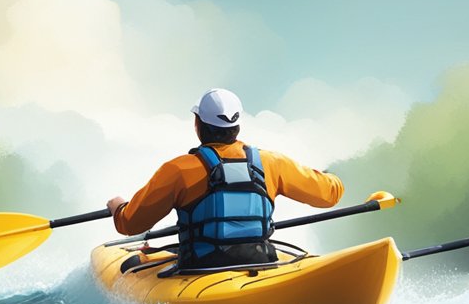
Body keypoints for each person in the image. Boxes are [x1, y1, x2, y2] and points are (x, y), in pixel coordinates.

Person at [106, 88, 344, 270]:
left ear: (198, 124)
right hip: (259, 261)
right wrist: (331, 176)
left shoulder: (178, 170)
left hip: (201, 269)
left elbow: (131, 224)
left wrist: (118, 208)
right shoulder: (272, 163)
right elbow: (330, 194)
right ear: (237, 126)